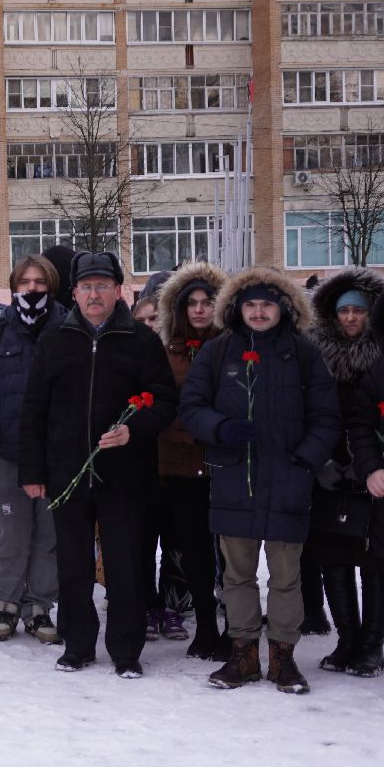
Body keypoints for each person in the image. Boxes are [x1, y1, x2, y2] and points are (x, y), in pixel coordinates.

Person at [181, 267, 341, 694]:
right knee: (237, 576)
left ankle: (283, 658)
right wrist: (219, 428)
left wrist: (305, 459)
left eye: (266, 304)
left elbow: (327, 418)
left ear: (283, 309)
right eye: (250, 304)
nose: (258, 311)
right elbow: (191, 407)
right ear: (236, 309)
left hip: (288, 481)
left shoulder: (304, 354)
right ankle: (244, 654)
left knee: (287, 577)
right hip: (235, 479)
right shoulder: (218, 352)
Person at [19, 251, 178, 678]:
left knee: (125, 564)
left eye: (102, 286)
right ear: (73, 293)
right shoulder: (55, 340)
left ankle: (126, 650)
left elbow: (165, 401)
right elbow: (34, 409)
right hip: (68, 473)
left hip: (125, 473)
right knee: (73, 564)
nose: (94, 294)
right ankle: (79, 646)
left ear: (118, 291)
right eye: (86, 287)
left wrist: (135, 429)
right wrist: (33, 471)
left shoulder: (141, 341)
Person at [0, 255, 66, 644]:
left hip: (56, 457)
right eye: (25, 282)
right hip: (10, 454)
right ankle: (6, 604)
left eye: (40, 282)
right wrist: (0, 429)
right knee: (10, 532)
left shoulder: (69, 329)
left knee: (48, 535)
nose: (32, 289)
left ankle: (40, 606)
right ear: (14, 286)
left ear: (52, 286)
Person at [309, 268, 384, 677]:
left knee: (376, 560)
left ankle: (372, 645)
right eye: (345, 311)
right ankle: (347, 640)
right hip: (328, 470)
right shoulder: (316, 352)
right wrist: (321, 461)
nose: (352, 318)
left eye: (359, 310)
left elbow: (370, 417)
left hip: (374, 471)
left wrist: (368, 462)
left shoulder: (382, 354)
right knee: (333, 557)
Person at [152, 262, 230, 659]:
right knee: (195, 552)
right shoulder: (167, 354)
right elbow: (160, 406)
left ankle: (236, 628)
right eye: (192, 304)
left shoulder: (234, 348)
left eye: (207, 302)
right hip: (182, 466)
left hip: (227, 464)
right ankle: (204, 627)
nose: (199, 310)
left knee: (233, 554)